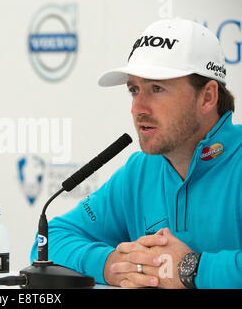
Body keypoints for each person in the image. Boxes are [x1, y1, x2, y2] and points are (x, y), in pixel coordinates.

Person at [30, 18, 242, 289]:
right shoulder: (140, 171)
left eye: (157, 88)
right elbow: (49, 241)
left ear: (207, 97)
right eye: (134, 90)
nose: (138, 108)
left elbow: (184, 269)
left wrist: (191, 269)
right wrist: (110, 265)